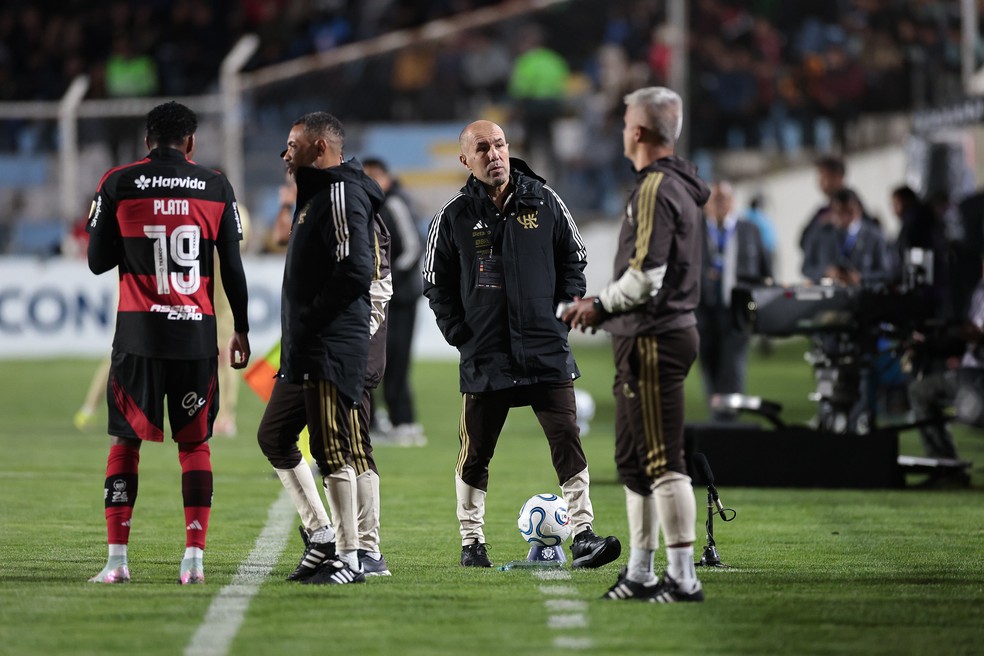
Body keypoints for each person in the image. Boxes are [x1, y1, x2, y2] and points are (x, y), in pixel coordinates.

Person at [423, 119, 621, 570]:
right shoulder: (452, 216)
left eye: (498, 145)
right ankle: (472, 541)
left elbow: (576, 258)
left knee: (567, 440)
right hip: (486, 352)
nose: (493, 155)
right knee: (475, 452)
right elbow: (434, 281)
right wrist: (459, 334)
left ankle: (584, 534)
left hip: (544, 348)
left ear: (508, 148)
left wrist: (560, 316)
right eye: (482, 149)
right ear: (465, 160)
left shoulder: (545, 200)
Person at [85, 101, 251, 584]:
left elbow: (97, 261)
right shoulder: (216, 186)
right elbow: (233, 270)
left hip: (138, 336)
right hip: (196, 335)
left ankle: (117, 563)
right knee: (195, 443)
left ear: (147, 141)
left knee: (126, 441)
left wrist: (130, 240)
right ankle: (193, 561)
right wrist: (240, 328)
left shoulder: (117, 182)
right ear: (191, 143)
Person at [563, 86, 709, 602]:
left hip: (654, 335)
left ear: (640, 132)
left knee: (663, 460)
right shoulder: (681, 187)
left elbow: (647, 277)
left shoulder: (653, 188)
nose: (622, 131)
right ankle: (642, 572)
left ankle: (682, 577)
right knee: (633, 459)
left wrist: (598, 305)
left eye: (626, 122)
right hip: (651, 333)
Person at [254, 111, 381, 585]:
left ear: (320, 148)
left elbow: (355, 268)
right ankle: (322, 534)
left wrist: (313, 318)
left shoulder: (342, 192)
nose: (285, 153)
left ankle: (349, 558)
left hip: (330, 345)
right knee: (274, 436)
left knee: (333, 450)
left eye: (293, 144)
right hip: (306, 347)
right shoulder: (314, 197)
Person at [363, 157, 426, 446]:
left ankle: (405, 421)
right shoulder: (374, 206)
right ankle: (377, 420)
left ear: (385, 178)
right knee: (374, 359)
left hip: (399, 298)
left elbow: (413, 248)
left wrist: (387, 280)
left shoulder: (394, 204)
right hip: (384, 296)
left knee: (395, 359)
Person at [697, 180, 772, 420]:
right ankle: (718, 412)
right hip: (702, 311)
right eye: (715, 199)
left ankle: (728, 420)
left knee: (733, 367)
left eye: (724, 199)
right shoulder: (692, 229)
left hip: (736, 311)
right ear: (706, 204)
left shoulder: (749, 230)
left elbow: (765, 271)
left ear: (733, 201)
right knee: (709, 365)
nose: (720, 204)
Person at [906, 277, 984, 487]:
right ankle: (946, 466)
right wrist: (929, 343)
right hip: (968, 372)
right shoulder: (978, 289)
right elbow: (963, 337)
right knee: (920, 391)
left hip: (977, 376)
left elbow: (974, 333)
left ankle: (947, 467)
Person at [802, 187, 893, 287]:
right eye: (839, 212)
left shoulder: (875, 236)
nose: (844, 217)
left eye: (849, 212)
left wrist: (861, 277)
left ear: (858, 209)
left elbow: (886, 273)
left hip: (863, 297)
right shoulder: (822, 234)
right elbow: (806, 267)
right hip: (830, 297)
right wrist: (825, 271)